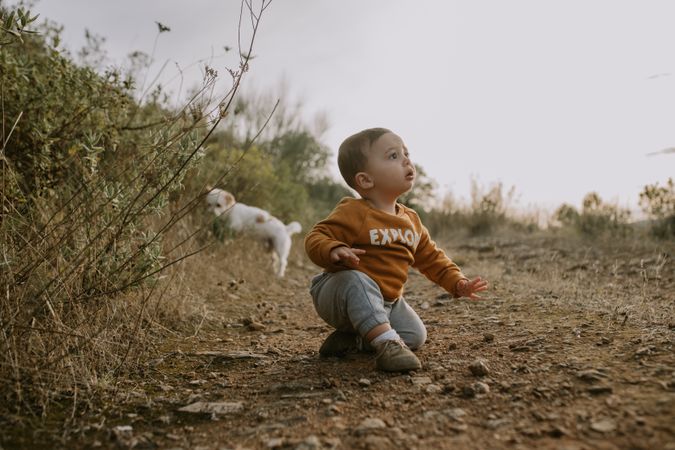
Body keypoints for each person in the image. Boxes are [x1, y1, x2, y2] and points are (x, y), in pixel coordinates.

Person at [305, 127, 488, 372]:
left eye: (406, 153)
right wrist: (333, 249)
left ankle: (354, 339)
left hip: (387, 302)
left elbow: (432, 258)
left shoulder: (411, 220)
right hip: (338, 294)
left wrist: (458, 282)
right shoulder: (354, 211)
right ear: (365, 180)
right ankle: (386, 345)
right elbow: (317, 236)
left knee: (414, 335)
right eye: (393, 156)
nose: (406, 160)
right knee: (357, 280)